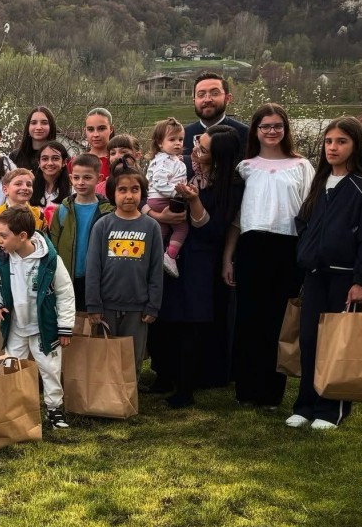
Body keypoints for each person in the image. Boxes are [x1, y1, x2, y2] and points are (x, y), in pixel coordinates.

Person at [288, 117, 362, 430]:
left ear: (355, 145)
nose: (333, 147)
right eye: (329, 141)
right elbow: (303, 221)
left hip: (345, 278)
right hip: (315, 276)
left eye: (341, 141)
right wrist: (306, 250)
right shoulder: (320, 181)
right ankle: (305, 405)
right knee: (310, 340)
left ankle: (332, 409)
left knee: (338, 342)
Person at [148, 125, 243, 407]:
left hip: (200, 256)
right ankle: (163, 375)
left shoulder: (230, 185)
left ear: (219, 157)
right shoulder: (183, 166)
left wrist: (194, 200)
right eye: (198, 143)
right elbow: (151, 193)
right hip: (170, 250)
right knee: (163, 316)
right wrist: (157, 214)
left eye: (202, 149)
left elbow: (214, 229)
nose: (195, 151)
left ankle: (185, 388)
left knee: (189, 321)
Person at [226, 103, 313, 410]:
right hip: (251, 247)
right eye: (266, 126)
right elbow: (237, 219)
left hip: (287, 248)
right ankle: (246, 390)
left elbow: (310, 213)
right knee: (249, 319)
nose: (272, 131)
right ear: (256, 130)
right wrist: (227, 258)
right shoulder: (245, 167)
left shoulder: (301, 166)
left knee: (278, 320)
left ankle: (271, 393)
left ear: (285, 129)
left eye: (278, 125)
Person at [0, 206, 76, 429]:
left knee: (50, 370)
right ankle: (14, 409)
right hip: (15, 327)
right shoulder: (2, 259)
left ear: (22, 236)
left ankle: (54, 409)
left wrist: (65, 327)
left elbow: (65, 293)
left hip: (44, 328)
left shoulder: (50, 260)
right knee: (12, 369)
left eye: (4, 235)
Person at [85, 164, 164, 377]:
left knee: (131, 359)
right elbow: (93, 268)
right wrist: (93, 304)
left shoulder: (151, 227)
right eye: (122, 190)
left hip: (137, 309)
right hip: (106, 307)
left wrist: (153, 305)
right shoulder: (102, 225)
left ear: (142, 192)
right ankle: (105, 395)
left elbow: (156, 269)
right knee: (104, 358)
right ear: (113, 193)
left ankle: (128, 393)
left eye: (134, 189)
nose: (129, 195)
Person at [49, 153, 115, 312]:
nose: (81, 182)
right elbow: (53, 246)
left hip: (97, 280)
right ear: (70, 178)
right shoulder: (62, 210)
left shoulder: (108, 212)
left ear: (99, 179)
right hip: (66, 278)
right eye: (76, 178)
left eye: (87, 177)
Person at [146, 118, 190, 278]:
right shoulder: (164, 161)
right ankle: (170, 256)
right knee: (181, 228)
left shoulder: (169, 159)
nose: (177, 143)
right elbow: (159, 182)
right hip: (162, 199)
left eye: (180, 139)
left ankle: (154, 255)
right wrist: (176, 193)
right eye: (172, 139)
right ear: (160, 143)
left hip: (156, 200)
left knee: (163, 228)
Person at [0, 168, 43, 273]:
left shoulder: (39, 216)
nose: (25, 188)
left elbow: (44, 244)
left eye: (29, 185)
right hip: (1, 271)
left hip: (32, 270)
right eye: (18, 184)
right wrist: (7, 268)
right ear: (5, 190)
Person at [183, 72, 249, 156]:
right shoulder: (183, 136)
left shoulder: (245, 134)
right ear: (194, 101)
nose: (207, 100)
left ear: (227, 98)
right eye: (201, 95)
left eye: (215, 93)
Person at [29, 140, 71, 221]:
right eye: (45, 159)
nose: (50, 163)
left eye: (55, 158)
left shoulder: (73, 190)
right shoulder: (30, 188)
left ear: (64, 162)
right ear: (39, 162)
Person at [11, 106, 60, 172]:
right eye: (34, 123)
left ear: (51, 127)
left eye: (44, 123)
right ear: (28, 127)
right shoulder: (15, 157)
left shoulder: (60, 155)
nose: (38, 127)